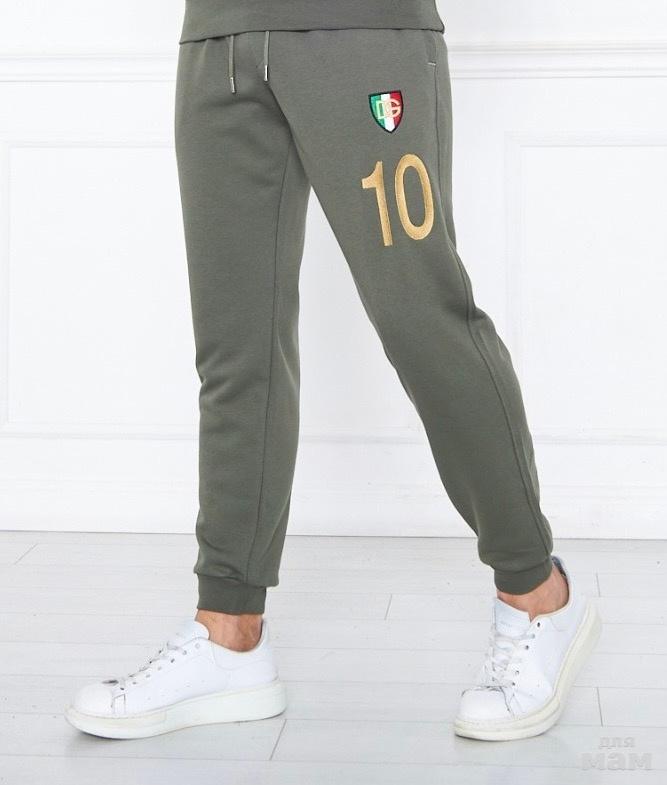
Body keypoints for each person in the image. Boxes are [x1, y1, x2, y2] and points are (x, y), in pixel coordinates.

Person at [65, 0, 601, 741]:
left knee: (421, 319)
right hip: (218, 39)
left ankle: (537, 593)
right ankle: (228, 634)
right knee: (235, 351)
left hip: (364, 34)